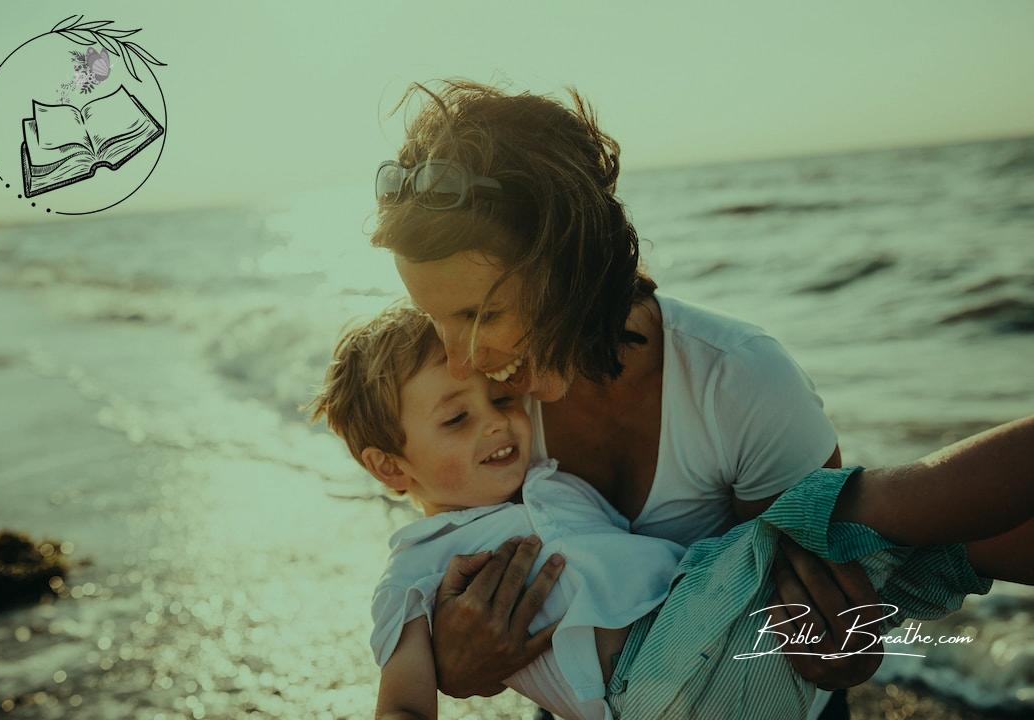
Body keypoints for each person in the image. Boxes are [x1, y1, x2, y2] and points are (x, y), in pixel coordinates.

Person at [370, 78, 887, 717]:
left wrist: (850, 651)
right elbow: (454, 559)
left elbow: (831, 603)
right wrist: (455, 664)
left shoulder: (740, 382)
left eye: (481, 313)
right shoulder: (487, 406)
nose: (459, 359)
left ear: (571, 263)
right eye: (434, 320)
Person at [308, 305, 1033, 720]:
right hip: (651, 681)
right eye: (456, 420)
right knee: (844, 512)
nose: (498, 424)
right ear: (389, 467)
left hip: (730, 663)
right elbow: (403, 703)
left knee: (947, 551)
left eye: (500, 400)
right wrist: (452, 669)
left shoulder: (552, 485)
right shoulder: (417, 564)